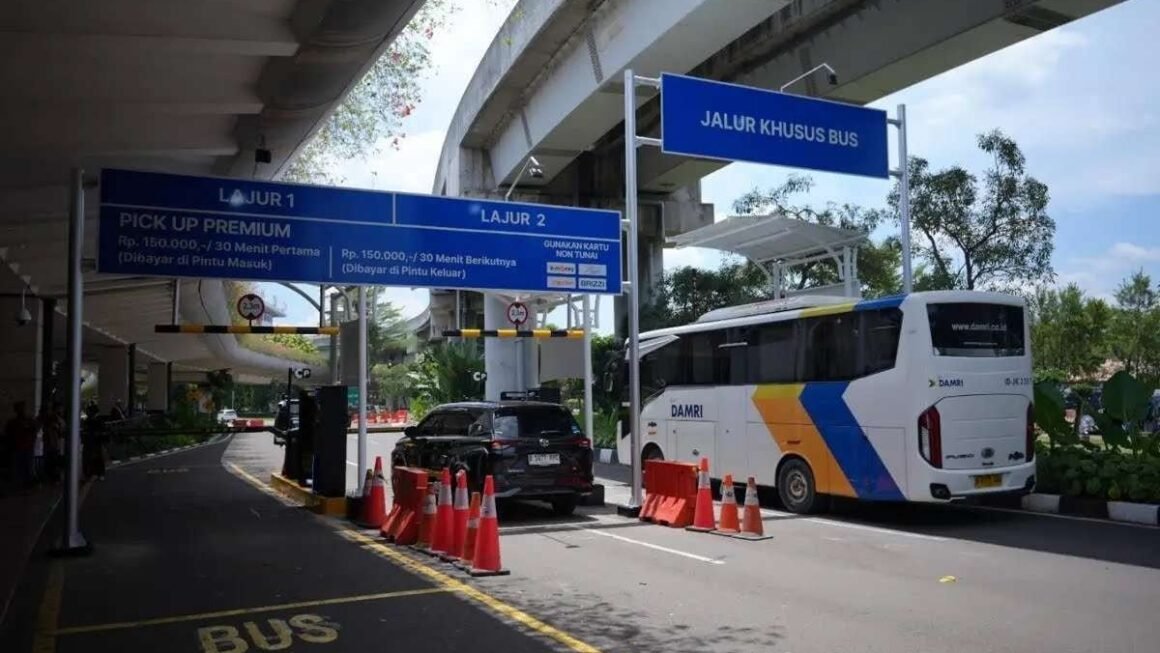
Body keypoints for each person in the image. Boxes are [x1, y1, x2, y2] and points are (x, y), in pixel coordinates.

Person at [4, 401, 39, 490]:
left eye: (22, 408)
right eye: (19, 408)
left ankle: (26, 485)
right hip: (17, 448)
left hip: (26, 448)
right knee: (17, 469)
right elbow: (8, 435)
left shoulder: (29, 421)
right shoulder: (12, 422)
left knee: (27, 469)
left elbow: (35, 430)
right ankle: (18, 485)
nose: (21, 410)